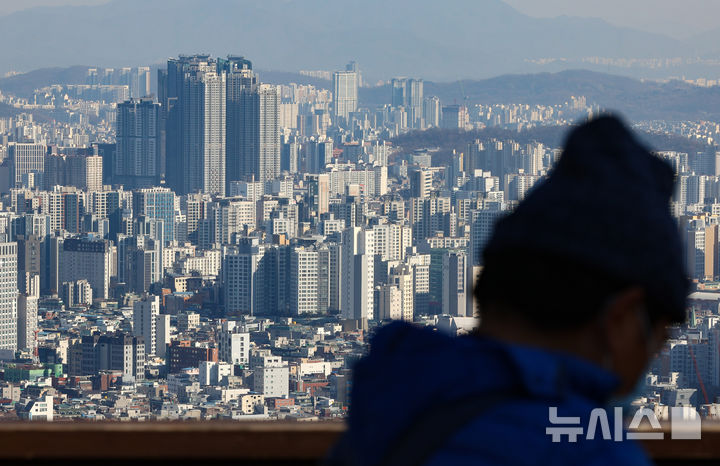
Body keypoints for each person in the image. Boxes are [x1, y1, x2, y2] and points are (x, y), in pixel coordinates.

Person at [332, 116, 688, 466]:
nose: (651, 359)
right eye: (658, 339)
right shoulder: (589, 451)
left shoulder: (389, 409)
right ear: (623, 318)